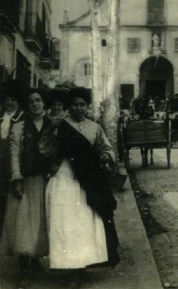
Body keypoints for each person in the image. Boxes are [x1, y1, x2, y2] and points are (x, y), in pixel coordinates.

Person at [45, 87, 119, 284]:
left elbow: (107, 147)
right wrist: (52, 132)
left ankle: (82, 265)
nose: (78, 108)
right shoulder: (61, 125)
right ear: (70, 106)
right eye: (75, 105)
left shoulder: (95, 128)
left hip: (87, 182)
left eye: (82, 105)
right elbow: (47, 149)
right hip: (64, 178)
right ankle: (68, 266)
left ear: (87, 107)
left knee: (84, 224)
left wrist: (106, 155)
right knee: (65, 223)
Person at [1, 89, 52, 275]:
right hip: (26, 179)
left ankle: (36, 260)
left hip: (46, 179)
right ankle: (24, 265)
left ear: (43, 103)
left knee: (40, 220)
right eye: (31, 102)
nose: (35, 104)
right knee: (23, 220)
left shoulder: (53, 125)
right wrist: (17, 178)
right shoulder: (19, 127)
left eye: (38, 100)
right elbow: (14, 154)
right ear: (26, 105)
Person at [0, 80, 25, 235]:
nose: (9, 103)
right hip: (0, 160)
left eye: (12, 100)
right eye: (7, 100)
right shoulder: (1, 117)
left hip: (14, 160)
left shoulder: (22, 118)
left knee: (13, 194)